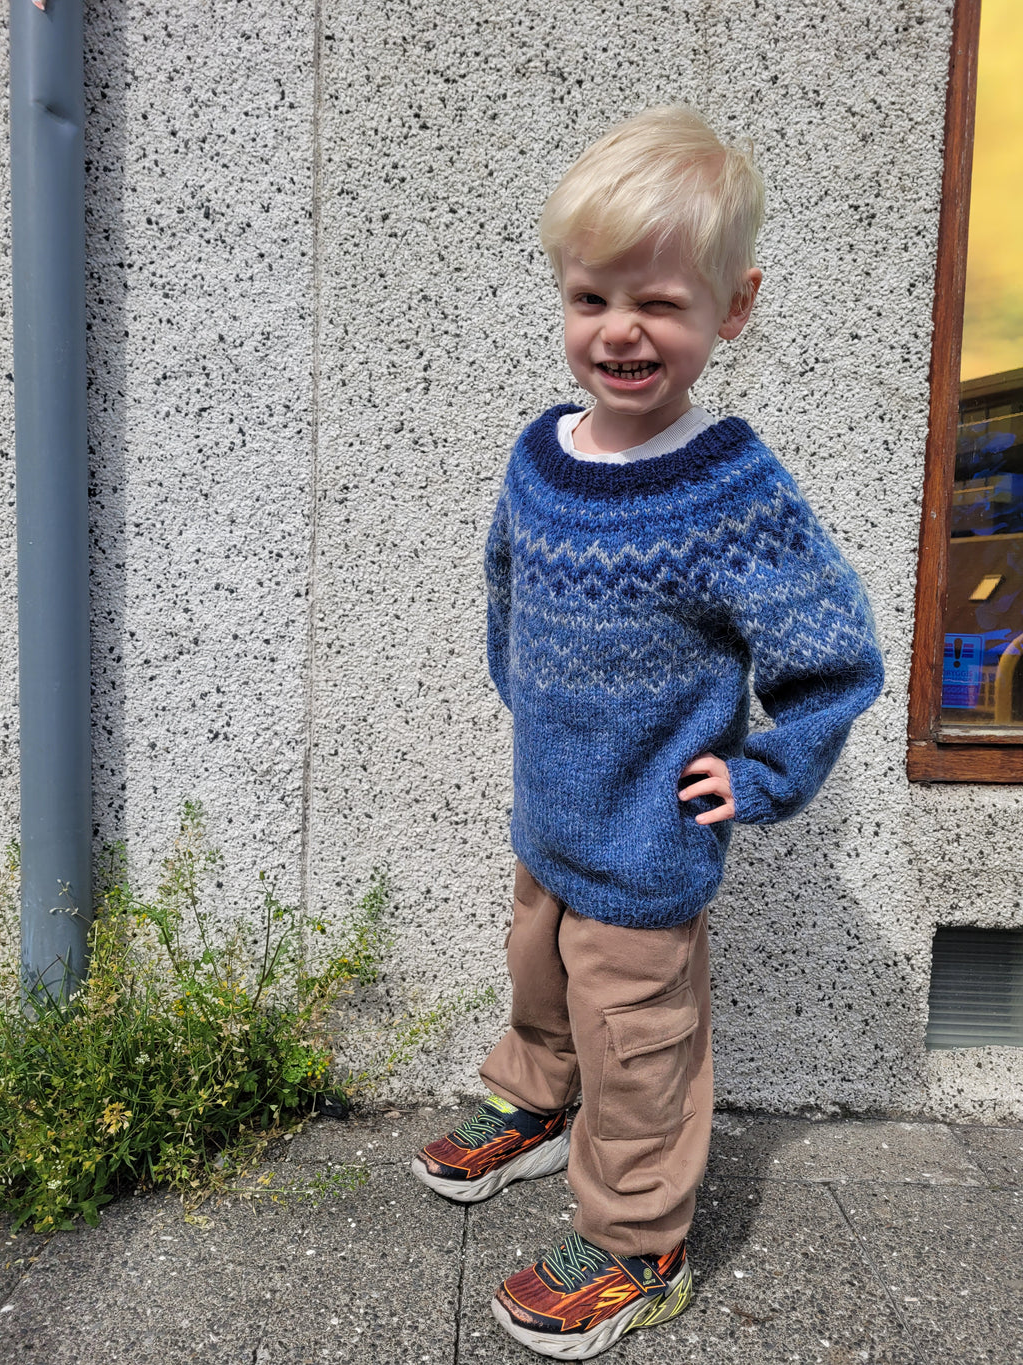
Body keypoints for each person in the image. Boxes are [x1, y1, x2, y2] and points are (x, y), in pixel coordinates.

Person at [410, 105, 884, 1360]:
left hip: (646, 841)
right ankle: (532, 1105)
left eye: (661, 303)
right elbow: (506, 588)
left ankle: (636, 1241)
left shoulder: (731, 493)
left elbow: (832, 655)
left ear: (732, 310)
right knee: (539, 980)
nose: (619, 330)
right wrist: (531, 714)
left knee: (637, 1043)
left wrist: (770, 768)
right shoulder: (538, 454)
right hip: (549, 811)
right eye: (590, 296)